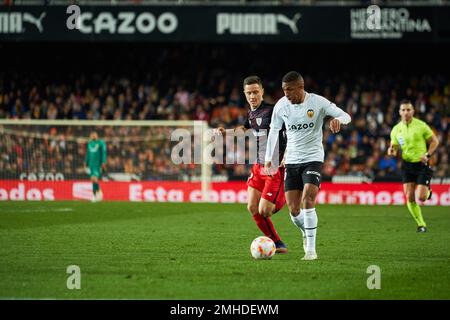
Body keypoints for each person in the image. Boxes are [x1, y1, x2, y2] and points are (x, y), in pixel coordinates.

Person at [265, 71, 351, 260]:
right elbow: (274, 131)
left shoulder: (317, 102)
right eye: (284, 90)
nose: (286, 93)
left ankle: (310, 250)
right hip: (292, 160)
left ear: (301, 87)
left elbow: (346, 115)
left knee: (307, 200)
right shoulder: (281, 105)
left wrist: (338, 120)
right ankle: (306, 230)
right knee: (294, 210)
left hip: (313, 158)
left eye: (289, 89)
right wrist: (269, 157)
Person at [216, 75, 288, 253]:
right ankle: (277, 243)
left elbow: (290, 133)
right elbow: (245, 128)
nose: (252, 96)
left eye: (256, 92)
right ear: (245, 94)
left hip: (274, 166)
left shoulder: (272, 112)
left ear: (262, 92)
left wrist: (286, 155)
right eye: (249, 93)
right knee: (252, 207)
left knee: (265, 211)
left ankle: (290, 193)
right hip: (258, 166)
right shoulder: (251, 113)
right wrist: (227, 132)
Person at [387, 100, 439, 233]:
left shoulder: (421, 126)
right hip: (407, 165)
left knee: (421, 197)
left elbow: (435, 141)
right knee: (409, 196)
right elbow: (394, 148)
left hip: (421, 164)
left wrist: (427, 154)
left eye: (408, 110)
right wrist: (392, 151)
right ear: (399, 112)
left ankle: (428, 192)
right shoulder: (396, 129)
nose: (406, 112)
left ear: (413, 111)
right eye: (403, 110)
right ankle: (421, 225)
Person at [84, 131, 107, 202]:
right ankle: (99, 192)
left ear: (97, 136)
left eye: (94, 135)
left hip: (98, 164)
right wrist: (85, 162)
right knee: (92, 179)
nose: (93, 136)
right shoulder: (89, 144)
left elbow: (104, 153)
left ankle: (95, 195)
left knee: (94, 178)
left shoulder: (101, 143)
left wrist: (103, 162)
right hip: (91, 164)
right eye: (92, 135)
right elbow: (88, 154)